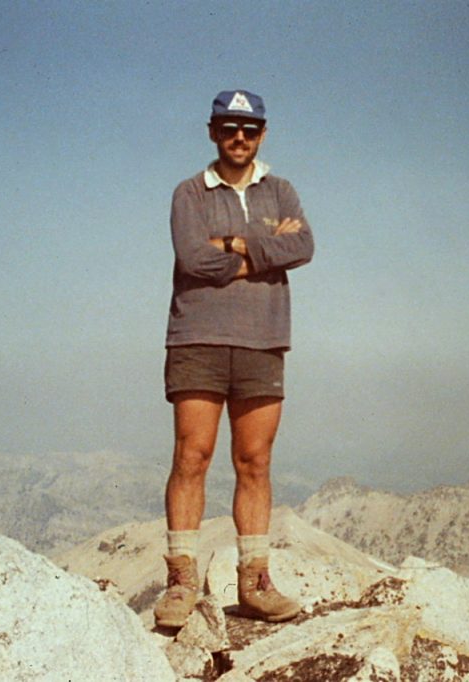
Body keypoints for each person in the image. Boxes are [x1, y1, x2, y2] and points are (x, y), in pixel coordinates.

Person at [154, 90, 314, 627]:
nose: (239, 137)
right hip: (197, 338)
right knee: (192, 456)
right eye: (229, 128)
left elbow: (304, 246)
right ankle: (180, 583)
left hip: (264, 340)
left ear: (262, 134)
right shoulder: (189, 193)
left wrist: (233, 244)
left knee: (255, 462)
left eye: (249, 128)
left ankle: (255, 582)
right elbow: (192, 256)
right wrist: (261, 245)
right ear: (212, 132)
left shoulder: (282, 190)